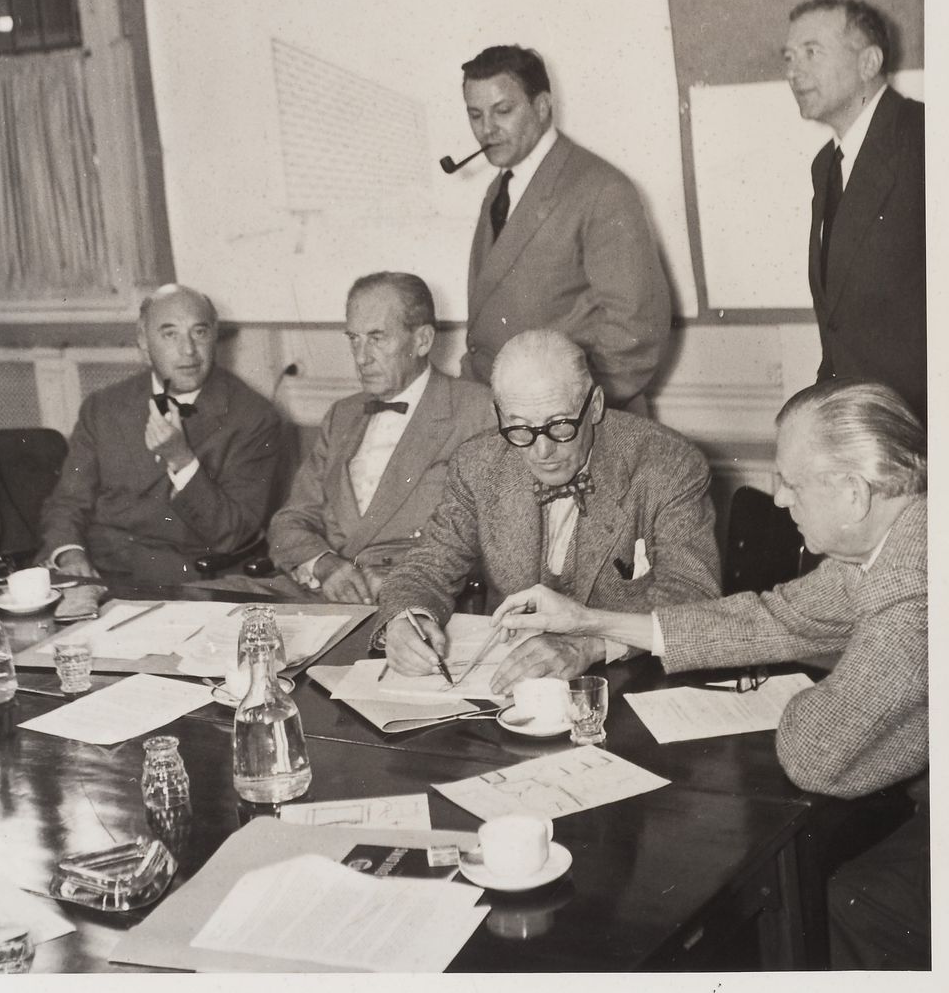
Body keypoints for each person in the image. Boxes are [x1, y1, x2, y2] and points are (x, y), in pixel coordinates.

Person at [486, 380, 928, 970]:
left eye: (792, 484)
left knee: (837, 907)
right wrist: (593, 621)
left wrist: (827, 684)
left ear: (852, 493)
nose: (778, 501)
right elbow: (778, 617)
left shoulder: (911, 593)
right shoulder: (902, 538)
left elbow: (815, 752)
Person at [379, 329, 719, 689]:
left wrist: (591, 644)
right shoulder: (478, 464)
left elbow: (692, 596)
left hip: (631, 683)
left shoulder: (669, 464)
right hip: (512, 687)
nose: (541, 451)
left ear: (596, 406)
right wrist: (407, 618)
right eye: (520, 428)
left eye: (559, 426)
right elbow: (427, 565)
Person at [457, 44, 670, 409]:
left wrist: (565, 414)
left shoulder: (602, 188)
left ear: (542, 107)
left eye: (503, 111)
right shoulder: (501, 188)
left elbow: (637, 330)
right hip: (504, 414)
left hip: (564, 425)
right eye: (475, 115)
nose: (487, 129)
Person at [265, 272, 492, 603]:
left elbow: (496, 541)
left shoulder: (476, 410)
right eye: (354, 339)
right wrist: (326, 565)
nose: (360, 357)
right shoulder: (341, 415)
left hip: (407, 601)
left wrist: (402, 581)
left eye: (377, 338)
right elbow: (289, 522)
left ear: (422, 341)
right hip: (319, 593)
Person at [39, 284, 286, 584]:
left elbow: (232, 531)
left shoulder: (254, 418)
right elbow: (67, 502)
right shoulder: (103, 407)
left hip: (182, 580)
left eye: (200, 332)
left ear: (215, 337)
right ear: (143, 343)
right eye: (170, 334)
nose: (188, 351)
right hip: (95, 569)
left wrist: (181, 459)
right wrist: (69, 554)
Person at [782, 0, 926, 422]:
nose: (793, 71)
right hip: (861, 422)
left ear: (869, 62)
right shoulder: (826, 165)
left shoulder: (925, 141)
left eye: (812, 52)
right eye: (788, 57)